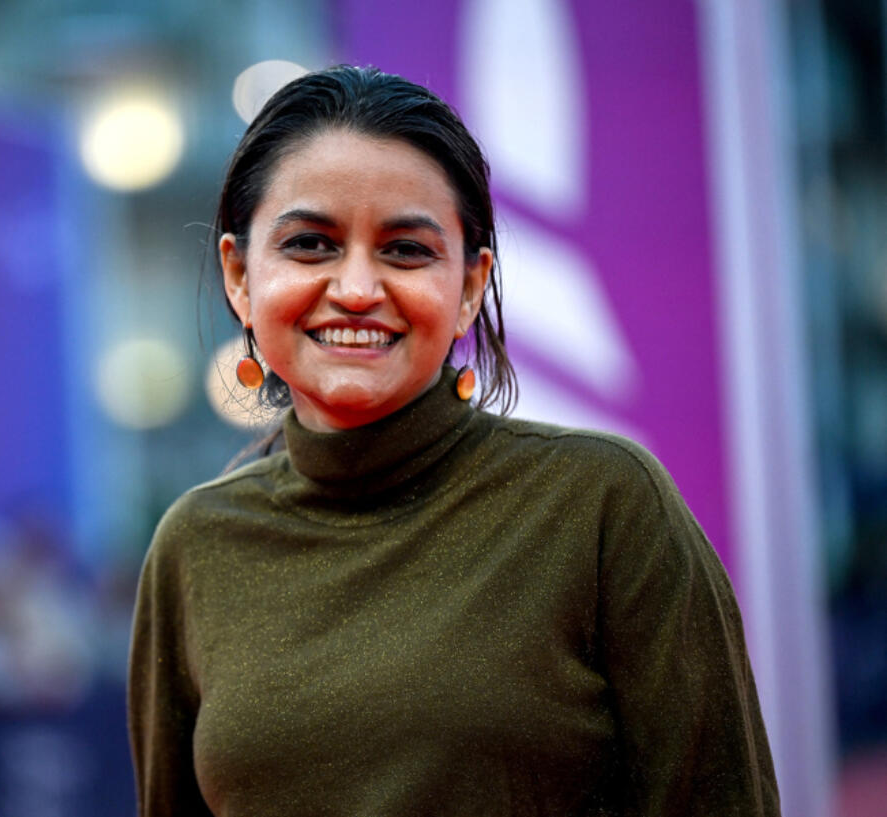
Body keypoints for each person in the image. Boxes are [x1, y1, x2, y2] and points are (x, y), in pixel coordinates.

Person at [128, 65, 779, 816]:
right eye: (311, 244)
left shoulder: (605, 507)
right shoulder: (195, 547)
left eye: (406, 250)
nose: (359, 288)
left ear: (471, 285)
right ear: (241, 276)